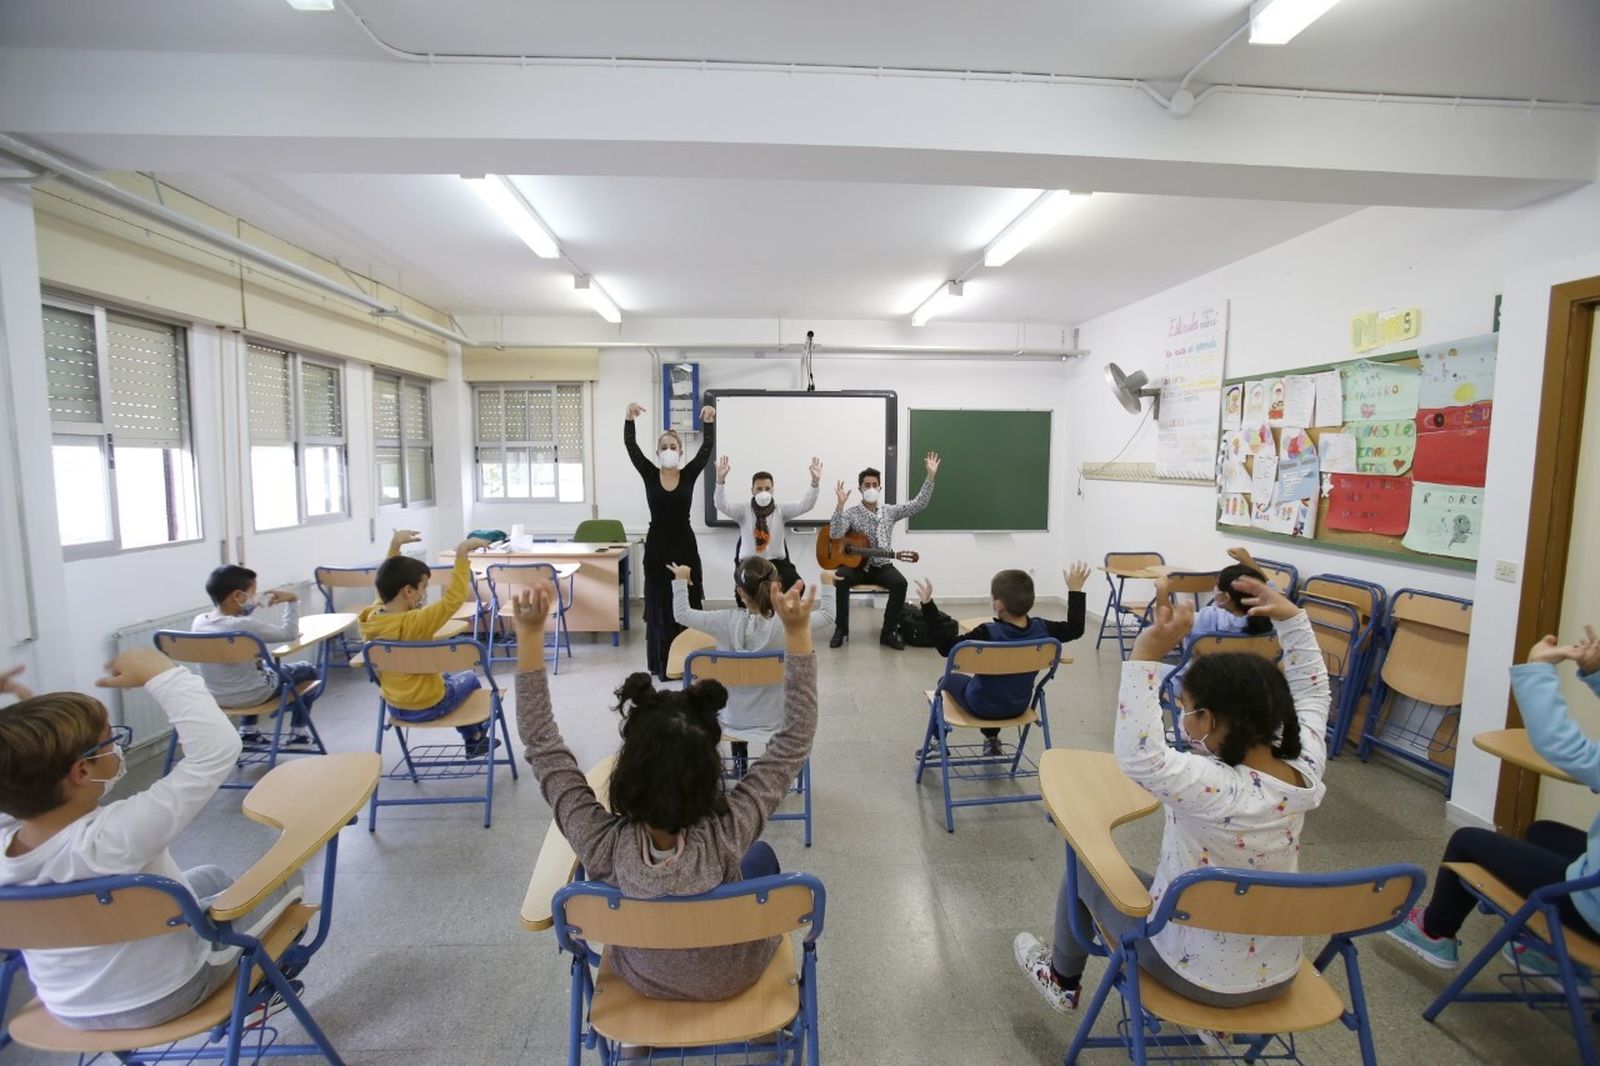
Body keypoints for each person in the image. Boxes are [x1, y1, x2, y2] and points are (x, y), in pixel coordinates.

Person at [1014, 577, 1329, 1015]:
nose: (1182, 720)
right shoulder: (1304, 764)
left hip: (1192, 971)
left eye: (1185, 710)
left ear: (1210, 720)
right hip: (1276, 973)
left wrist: (1144, 655)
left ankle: (1061, 979)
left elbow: (1140, 755)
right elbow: (1313, 692)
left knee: (1081, 869)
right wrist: (1292, 619)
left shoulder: (1213, 786)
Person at [514, 574, 818, 1001]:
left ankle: (646, 1026)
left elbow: (542, 745)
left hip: (644, 979)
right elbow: (794, 739)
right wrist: (797, 633)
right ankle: (754, 1014)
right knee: (761, 857)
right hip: (734, 975)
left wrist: (529, 638)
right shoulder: (728, 833)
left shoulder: (600, 844)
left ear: (626, 772)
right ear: (710, 777)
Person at [0, 649, 304, 1031]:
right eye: (111, 741)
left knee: (210, 876)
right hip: (169, 993)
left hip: (68, 1007)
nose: (117, 747)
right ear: (82, 771)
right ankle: (261, 989)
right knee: (291, 879)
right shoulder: (114, 837)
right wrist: (164, 674)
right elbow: (215, 751)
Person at [1388, 626, 1600, 977]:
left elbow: (1561, 745)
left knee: (1466, 841)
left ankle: (1433, 931)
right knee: (1543, 832)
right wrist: (1594, 673)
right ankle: (1544, 950)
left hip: (1591, 911)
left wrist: (1537, 667)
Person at [671, 555, 836, 772]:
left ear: (739, 592)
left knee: (737, 696)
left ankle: (740, 765)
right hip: (776, 719)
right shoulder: (787, 623)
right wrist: (827, 582)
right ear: (777, 587)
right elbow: (827, 615)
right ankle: (772, 765)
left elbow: (682, 614)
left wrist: (681, 578)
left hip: (731, 720)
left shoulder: (722, 621)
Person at [918, 562, 1090, 758]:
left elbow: (946, 647)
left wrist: (928, 606)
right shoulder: (1044, 630)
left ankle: (936, 742)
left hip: (980, 706)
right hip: (1019, 706)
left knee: (945, 681)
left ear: (998, 605)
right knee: (999, 684)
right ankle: (992, 740)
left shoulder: (986, 633)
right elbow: (1075, 629)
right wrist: (1075, 590)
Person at [358, 530, 492, 758]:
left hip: (395, 705)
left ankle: (476, 737)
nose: (425, 593)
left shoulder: (371, 618)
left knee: (445, 676)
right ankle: (474, 738)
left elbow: (385, 581)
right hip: (430, 704)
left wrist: (394, 546)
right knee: (469, 677)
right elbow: (454, 599)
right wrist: (462, 553)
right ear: (408, 591)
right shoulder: (417, 622)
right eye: (424, 587)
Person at [625, 402, 717, 680]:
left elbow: (706, 449)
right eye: (664, 447)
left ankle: (690, 662)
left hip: (684, 546)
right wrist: (629, 419)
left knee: (688, 603)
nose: (668, 450)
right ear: (657, 453)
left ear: (680, 451)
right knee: (660, 605)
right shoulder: (649, 474)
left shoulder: (688, 474)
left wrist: (708, 422)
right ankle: (662, 664)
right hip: (657, 550)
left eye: (673, 447)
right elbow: (631, 447)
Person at [191, 565, 319, 747]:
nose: (255, 599)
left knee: (253, 671)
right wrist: (292, 599)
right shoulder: (245, 625)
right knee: (308, 669)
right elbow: (289, 633)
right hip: (255, 694)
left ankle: (248, 731)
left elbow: (229, 624)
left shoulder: (199, 622)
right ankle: (299, 732)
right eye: (252, 594)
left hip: (214, 696)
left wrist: (245, 609)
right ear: (237, 596)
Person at [827, 453, 940, 650]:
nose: (871, 488)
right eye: (867, 485)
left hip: (883, 566)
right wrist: (840, 505)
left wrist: (930, 476)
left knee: (900, 583)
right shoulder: (851, 513)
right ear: (860, 488)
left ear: (879, 488)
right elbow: (835, 534)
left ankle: (888, 632)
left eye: (874, 485)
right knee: (841, 578)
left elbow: (918, 504)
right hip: (858, 567)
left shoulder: (889, 511)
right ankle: (841, 629)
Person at [713, 455, 822, 590]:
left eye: (767, 488)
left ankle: (782, 604)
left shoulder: (781, 510)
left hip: (777, 563)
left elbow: (806, 505)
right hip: (750, 563)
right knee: (748, 591)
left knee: (797, 586)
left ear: (772, 490)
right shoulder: (743, 511)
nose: (763, 492)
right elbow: (721, 505)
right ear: (752, 490)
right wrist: (720, 481)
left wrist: (815, 483)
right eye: (759, 489)